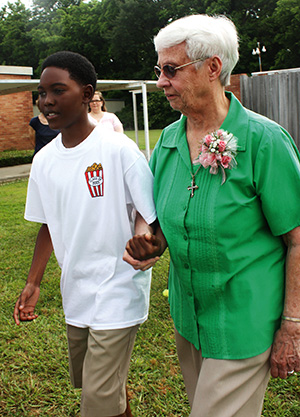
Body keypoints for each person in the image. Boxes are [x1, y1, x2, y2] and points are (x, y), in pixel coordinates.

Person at [123, 14, 300, 417]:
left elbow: (297, 238)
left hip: (245, 322)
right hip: (190, 321)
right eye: (159, 70)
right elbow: (160, 220)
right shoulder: (168, 142)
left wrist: (292, 324)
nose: (161, 81)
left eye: (171, 69)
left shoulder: (263, 141)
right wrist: (150, 242)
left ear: (213, 68)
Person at [13, 51, 157, 417]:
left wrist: (144, 240)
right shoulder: (44, 160)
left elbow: (149, 212)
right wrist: (33, 282)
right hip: (76, 293)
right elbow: (47, 223)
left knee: (96, 403)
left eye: (57, 90)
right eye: (42, 92)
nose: (46, 101)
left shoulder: (118, 150)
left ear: (86, 93)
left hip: (118, 289)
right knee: (106, 389)